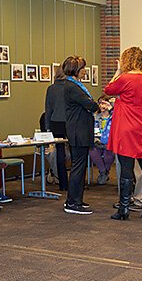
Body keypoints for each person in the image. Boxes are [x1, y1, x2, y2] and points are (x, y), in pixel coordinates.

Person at [104, 47, 142, 219]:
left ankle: (124, 209)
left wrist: (118, 71)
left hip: (126, 128)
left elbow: (108, 89)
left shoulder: (125, 78)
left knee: (126, 167)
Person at [62, 56, 99, 215]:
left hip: (80, 130)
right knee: (78, 168)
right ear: (76, 70)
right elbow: (90, 104)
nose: (85, 71)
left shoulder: (75, 85)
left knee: (80, 167)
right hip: (78, 131)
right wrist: (98, 105)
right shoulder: (72, 87)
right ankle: (72, 202)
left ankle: (76, 199)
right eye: (83, 68)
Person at [44, 65, 69, 191]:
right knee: (75, 153)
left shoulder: (51, 88)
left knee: (60, 153)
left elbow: (48, 109)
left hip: (56, 122)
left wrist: (48, 127)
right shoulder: (70, 87)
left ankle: (63, 183)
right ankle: (76, 183)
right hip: (70, 122)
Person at [89, 95, 115, 185]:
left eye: (104, 103)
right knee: (93, 151)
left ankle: (104, 173)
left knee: (109, 154)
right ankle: (104, 172)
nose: (102, 106)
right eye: (100, 103)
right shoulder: (95, 117)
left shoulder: (114, 117)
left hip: (110, 143)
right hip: (97, 142)